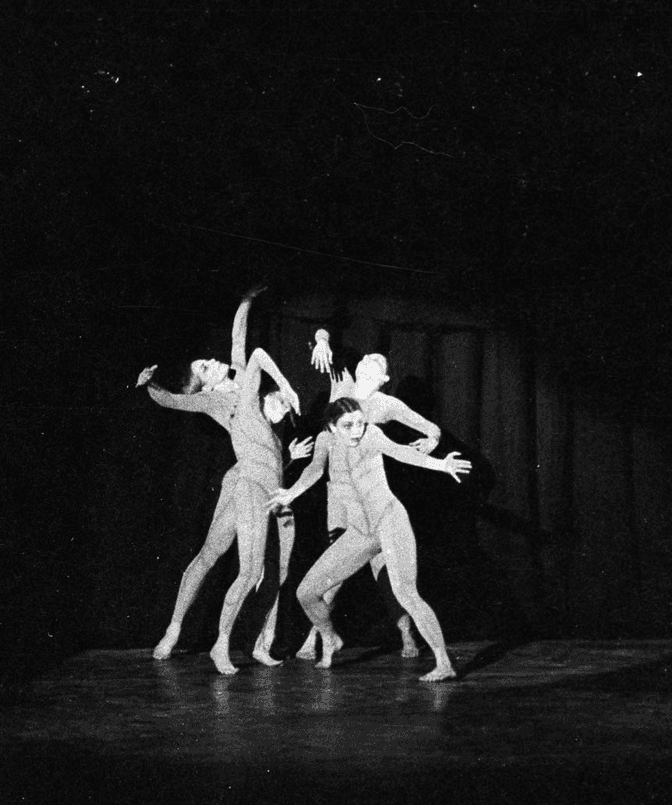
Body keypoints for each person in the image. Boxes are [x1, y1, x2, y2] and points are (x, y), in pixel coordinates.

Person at [137, 288, 306, 674]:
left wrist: (245, 302)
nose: (213, 363)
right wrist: (149, 386)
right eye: (206, 368)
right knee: (214, 556)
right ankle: (176, 629)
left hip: (271, 479)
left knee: (276, 569)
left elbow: (238, 339)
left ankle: (262, 642)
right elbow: (173, 401)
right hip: (244, 481)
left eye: (209, 361)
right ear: (206, 385)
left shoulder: (245, 380)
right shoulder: (214, 399)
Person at [267, 397, 471, 682]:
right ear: (331, 427)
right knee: (306, 593)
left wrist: (441, 465)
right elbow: (314, 469)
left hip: (389, 521)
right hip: (359, 532)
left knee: (406, 593)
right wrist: (291, 493)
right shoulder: (325, 441)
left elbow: (402, 453)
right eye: (348, 425)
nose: (356, 431)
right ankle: (331, 637)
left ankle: (443, 663)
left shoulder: (372, 435)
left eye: (360, 423)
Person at [292, 329, 442, 660]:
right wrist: (320, 340)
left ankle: (405, 633)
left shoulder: (387, 405)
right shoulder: (341, 385)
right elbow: (323, 332)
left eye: (376, 368)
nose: (367, 367)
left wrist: (431, 441)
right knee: (333, 569)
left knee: (381, 567)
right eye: (365, 363)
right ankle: (315, 638)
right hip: (336, 497)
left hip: (367, 500)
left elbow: (431, 429)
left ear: (384, 379)